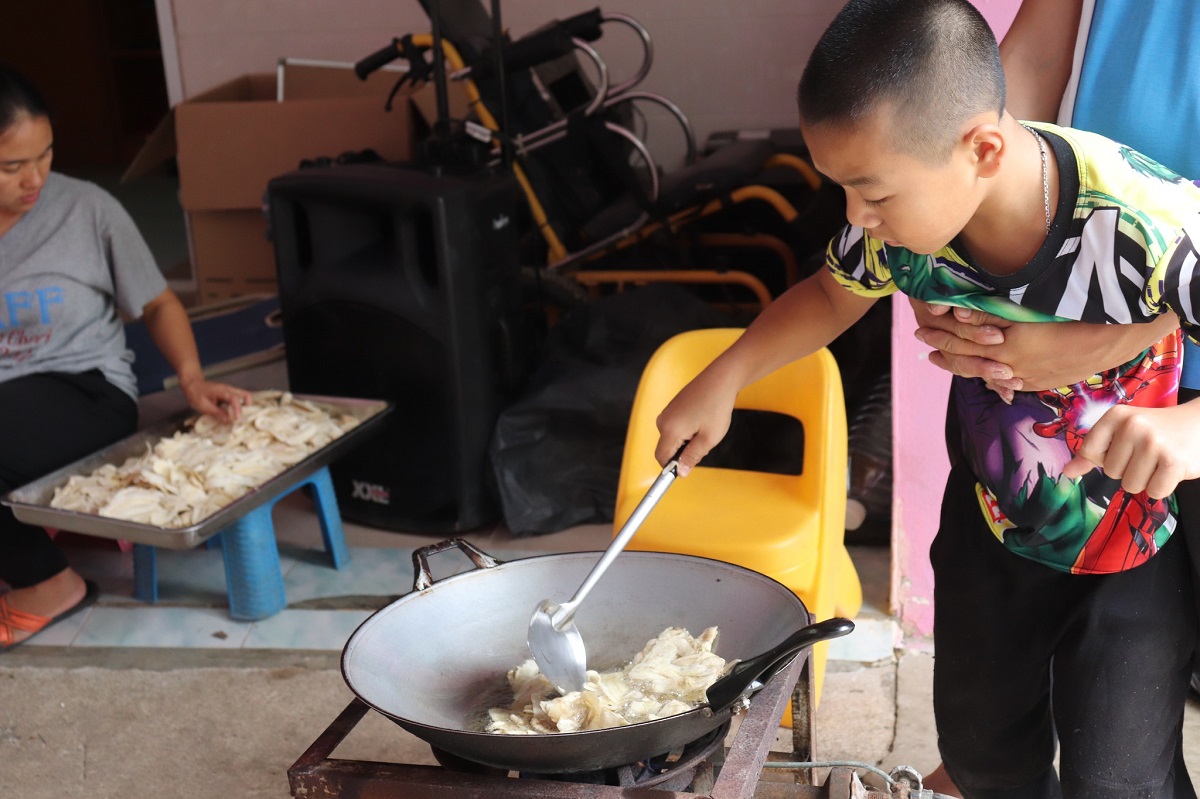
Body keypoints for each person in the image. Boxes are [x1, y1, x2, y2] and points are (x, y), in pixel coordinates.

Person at [654, 1, 1200, 795]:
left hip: (1129, 555)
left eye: (871, 193)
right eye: (842, 189)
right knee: (982, 758)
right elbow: (830, 295)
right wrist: (726, 376)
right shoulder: (900, 213)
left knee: (1119, 780)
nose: (857, 217)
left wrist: (1190, 426)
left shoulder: (1149, 227)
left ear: (981, 148)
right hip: (990, 532)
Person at [911, 1, 1200, 792]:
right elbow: (1035, 58)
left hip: (1169, 401)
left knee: (1119, 761)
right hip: (1066, 372)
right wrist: (954, 234)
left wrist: (1139, 338)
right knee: (1005, 710)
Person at [0, 64, 254, 651]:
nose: (36, 177)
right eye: (14, 166)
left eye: (46, 155)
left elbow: (159, 302)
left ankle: (48, 585)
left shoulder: (86, 210)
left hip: (84, 388)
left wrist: (191, 380)